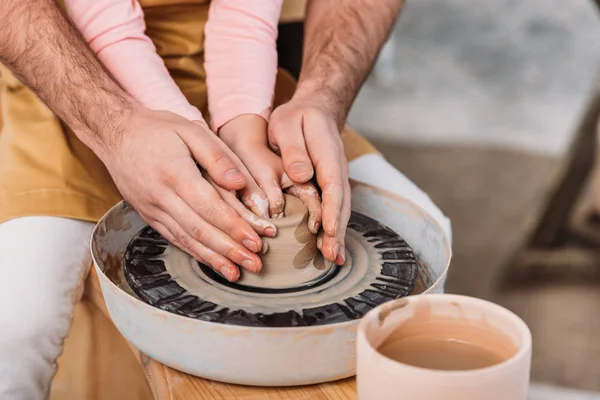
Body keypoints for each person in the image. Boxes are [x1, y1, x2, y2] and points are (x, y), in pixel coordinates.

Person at [0, 0, 450, 398]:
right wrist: (162, 134)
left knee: (431, 227)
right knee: (18, 324)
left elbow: (244, 17)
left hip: (237, 75)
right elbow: (107, 23)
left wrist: (245, 127)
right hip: (74, 77)